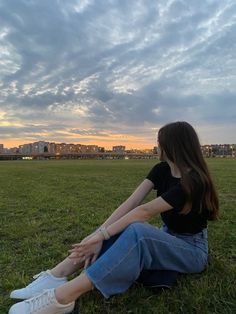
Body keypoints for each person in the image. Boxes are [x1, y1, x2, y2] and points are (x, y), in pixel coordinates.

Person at [9, 121, 219, 314]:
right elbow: (131, 203)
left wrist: (101, 235)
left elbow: (143, 212)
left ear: (172, 146)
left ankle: (63, 297)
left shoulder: (193, 181)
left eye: (159, 142)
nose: (157, 147)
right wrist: (99, 234)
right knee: (119, 228)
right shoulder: (161, 169)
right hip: (167, 237)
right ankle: (57, 274)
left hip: (192, 250)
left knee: (136, 230)